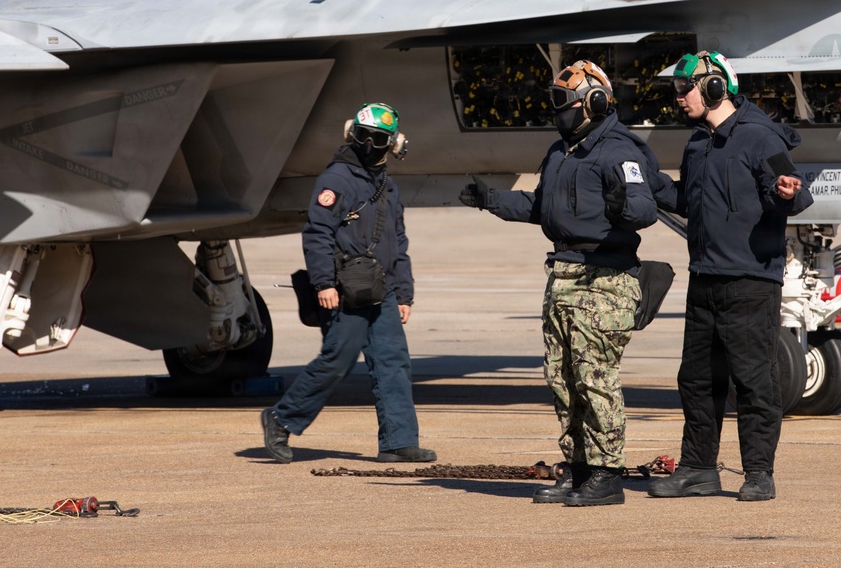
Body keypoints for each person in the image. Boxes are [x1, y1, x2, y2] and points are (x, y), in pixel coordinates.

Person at [460, 60, 660, 506]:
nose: (557, 110)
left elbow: (644, 209)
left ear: (594, 102)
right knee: (563, 379)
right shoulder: (560, 151)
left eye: (563, 102)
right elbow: (542, 207)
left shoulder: (620, 152)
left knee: (595, 378)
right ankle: (580, 468)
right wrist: (491, 199)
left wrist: (622, 204)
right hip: (563, 275)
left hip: (603, 280)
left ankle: (607, 475)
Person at [647, 51, 813, 502]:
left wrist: (786, 193)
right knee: (697, 380)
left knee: (754, 380)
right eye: (677, 90)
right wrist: (647, 181)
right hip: (704, 277)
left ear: (715, 87)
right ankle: (698, 469)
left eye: (686, 89)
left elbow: (795, 195)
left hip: (749, 280)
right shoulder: (697, 143)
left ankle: (759, 472)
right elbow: (688, 200)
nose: (679, 97)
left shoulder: (759, 137)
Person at [261, 103, 436, 465]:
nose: (368, 144)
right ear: (351, 134)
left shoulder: (388, 187)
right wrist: (323, 283)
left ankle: (398, 441)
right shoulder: (337, 179)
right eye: (363, 135)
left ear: (393, 145)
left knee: (393, 362)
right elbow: (317, 233)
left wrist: (405, 294)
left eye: (378, 139)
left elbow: (398, 244)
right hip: (344, 290)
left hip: (383, 290)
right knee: (337, 360)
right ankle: (281, 418)